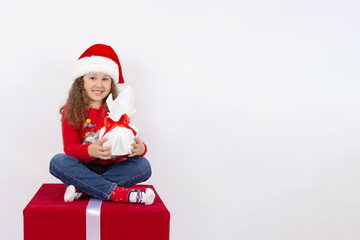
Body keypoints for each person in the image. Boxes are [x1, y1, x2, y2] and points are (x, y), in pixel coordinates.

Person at [49, 44, 155, 205]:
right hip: (84, 169)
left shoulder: (118, 108)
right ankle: (119, 193)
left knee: (143, 165)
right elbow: (69, 148)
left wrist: (140, 149)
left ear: (111, 83)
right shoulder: (71, 110)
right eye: (92, 78)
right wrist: (89, 150)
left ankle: (82, 190)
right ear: (81, 81)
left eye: (105, 79)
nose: (99, 85)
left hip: (114, 169)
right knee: (58, 161)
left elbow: (125, 143)